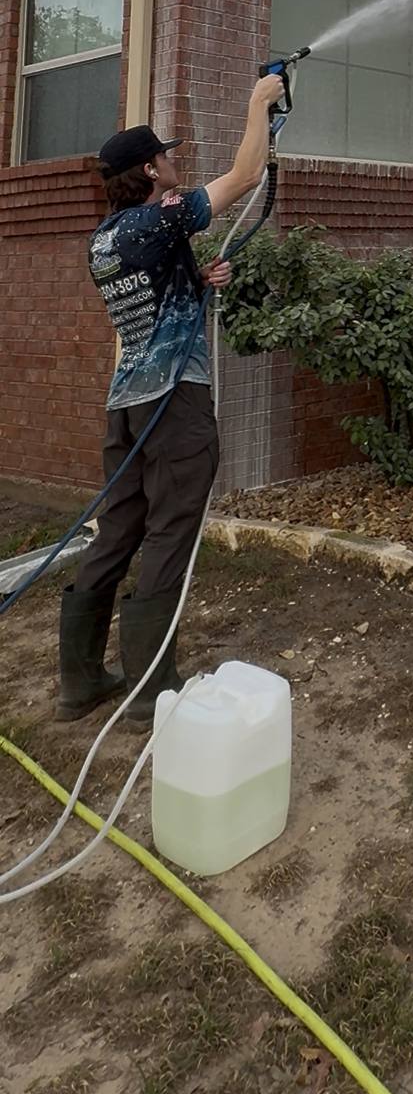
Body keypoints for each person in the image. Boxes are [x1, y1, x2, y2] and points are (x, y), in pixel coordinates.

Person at [56, 74, 284, 725]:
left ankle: (80, 683)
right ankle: (149, 689)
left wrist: (196, 274)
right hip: (172, 408)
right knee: (169, 532)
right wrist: (258, 104)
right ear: (150, 168)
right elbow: (244, 176)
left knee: (118, 531)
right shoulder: (160, 218)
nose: (175, 161)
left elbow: (144, 301)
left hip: (124, 407)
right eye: (168, 155)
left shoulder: (105, 238)